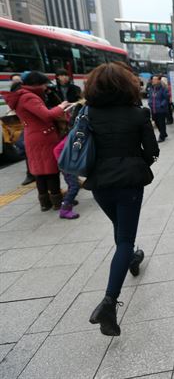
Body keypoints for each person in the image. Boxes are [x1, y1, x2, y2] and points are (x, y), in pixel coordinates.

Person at [83, 63, 159, 336]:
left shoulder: (87, 114)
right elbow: (152, 152)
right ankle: (109, 302)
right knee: (124, 238)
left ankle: (131, 258)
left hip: (99, 184)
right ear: (127, 85)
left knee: (120, 230)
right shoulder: (138, 114)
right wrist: (139, 161)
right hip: (129, 182)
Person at [4, 71, 71, 211]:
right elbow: (46, 116)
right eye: (44, 84)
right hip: (43, 137)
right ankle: (57, 201)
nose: (46, 87)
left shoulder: (21, 95)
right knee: (51, 170)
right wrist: (61, 106)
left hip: (33, 136)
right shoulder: (29, 97)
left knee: (39, 171)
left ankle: (45, 202)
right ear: (36, 84)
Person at [148, 75, 169, 142]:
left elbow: (166, 98)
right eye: (153, 79)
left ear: (159, 80)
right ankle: (164, 133)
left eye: (155, 79)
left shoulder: (163, 88)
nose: (153, 80)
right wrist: (149, 103)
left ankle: (162, 136)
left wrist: (162, 105)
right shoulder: (151, 88)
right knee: (156, 122)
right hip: (153, 109)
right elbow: (150, 97)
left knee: (161, 123)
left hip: (161, 109)